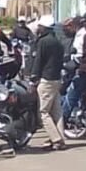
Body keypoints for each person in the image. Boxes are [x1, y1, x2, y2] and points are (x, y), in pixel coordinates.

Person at [29, 15, 65, 151]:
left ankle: (56, 138)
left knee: (43, 112)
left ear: (43, 28)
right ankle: (60, 138)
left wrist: (34, 77)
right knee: (57, 111)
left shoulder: (43, 42)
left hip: (46, 80)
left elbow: (38, 61)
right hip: (56, 79)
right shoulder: (57, 42)